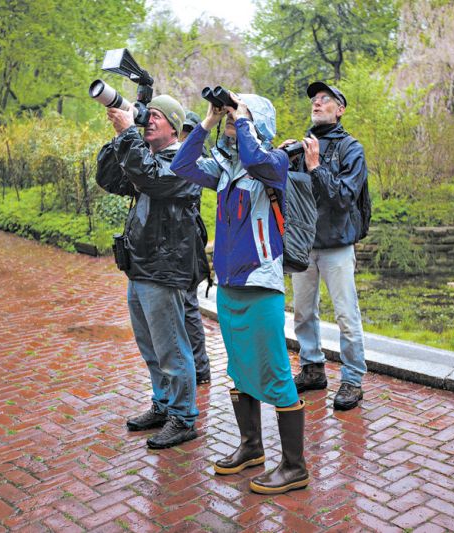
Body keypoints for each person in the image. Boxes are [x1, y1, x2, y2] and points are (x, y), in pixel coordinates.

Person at [171, 93, 310, 495]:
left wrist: (244, 118)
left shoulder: (275, 162)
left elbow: (254, 158)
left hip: (261, 285)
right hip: (229, 285)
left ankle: (295, 466)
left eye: (239, 113)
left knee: (276, 374)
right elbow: (181, 165)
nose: (232, 117)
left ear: (257, 120)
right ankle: (251, 447)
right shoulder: (224, 168)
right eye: (231, 114)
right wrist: (207, 122)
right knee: (239, 370)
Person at [95, 95, 210, 449]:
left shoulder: (185, 162)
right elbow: (108, 178)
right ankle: (163, 405)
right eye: (148, 115)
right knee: (151, 348)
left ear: (174, 127)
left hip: (165, 268)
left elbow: (152, 180)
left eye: (156, 116)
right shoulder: (146, 157)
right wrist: (120, 136)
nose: (149, 121)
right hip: (140, 266)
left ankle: (183, 417)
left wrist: (129, 133)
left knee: (172, 348)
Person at [280, 82, 369, 411]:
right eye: (314, 100)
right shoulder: (303, 146)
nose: (316, 104)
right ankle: (312, 368)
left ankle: (352, 379)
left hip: (337, 246)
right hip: (304, 245)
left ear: (339, 109)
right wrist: (282, 159)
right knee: (303, 312)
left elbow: (344, 198)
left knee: (346, 315)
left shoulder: (351, 149)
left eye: (324, 100)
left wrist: (316, 166)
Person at [180, 109, 211, 386]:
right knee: (184, 305)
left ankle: (200, 367)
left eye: (188, 132)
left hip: (188, 242)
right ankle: (195, 364)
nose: (184, 137)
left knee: (189, 305)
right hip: (181, 241)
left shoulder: (195, 161)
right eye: (182, 131)